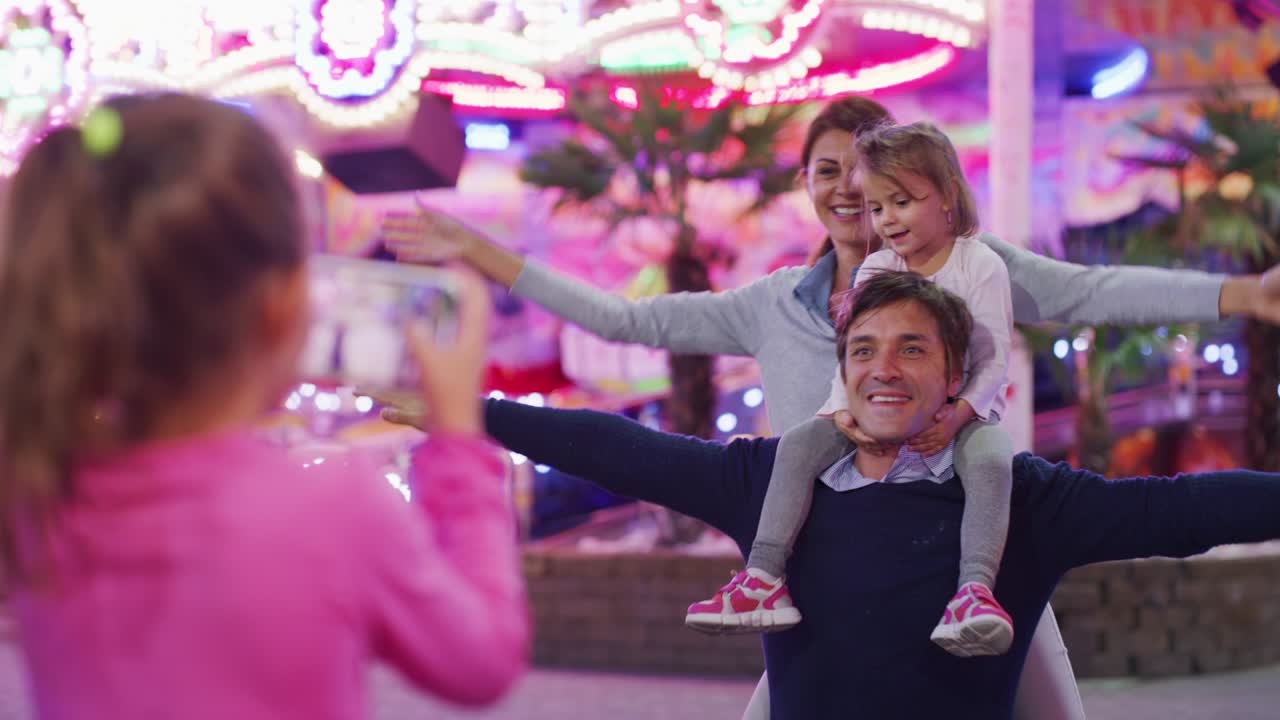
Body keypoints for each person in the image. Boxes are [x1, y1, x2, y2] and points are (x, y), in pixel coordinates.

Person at [381, 96, 1280, 720]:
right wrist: (471, 363)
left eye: (875, 177)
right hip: (818, 557)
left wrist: (1239, 296)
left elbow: (1093, 301)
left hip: (977, 548)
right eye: (831, 172)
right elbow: (623, 376)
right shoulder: (774, 317)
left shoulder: (973, 267)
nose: (854, 192)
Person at [465, 270, 1280, 719]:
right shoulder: (774, 481)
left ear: (955, 378)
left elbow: (1179, 510)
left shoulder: (1019, 497)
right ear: (843, 371)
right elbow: (620, 451)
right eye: (863, 350)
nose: (882, 368)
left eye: (911, 349)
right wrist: (470, 413)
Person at [0, 94, 527, 720]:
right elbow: (480, 661)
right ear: (282, 308)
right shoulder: (336, 508)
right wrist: (458, 436)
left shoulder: (37, 497)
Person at [694, 121, 1019, 655]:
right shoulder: (875, 267)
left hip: (961, 413)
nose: (887, 219)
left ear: (947, 196)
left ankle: (974, 590)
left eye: (902, 203)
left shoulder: (979, 265)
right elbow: (852, 351)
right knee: (799, 443)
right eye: (877, 207)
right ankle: (764, 575)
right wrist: (842, 411)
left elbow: (992, 360)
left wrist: (957, 418)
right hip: (876, 408)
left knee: (991, 458)